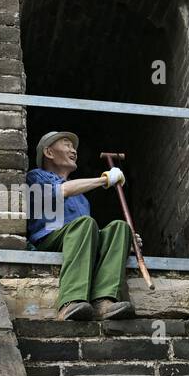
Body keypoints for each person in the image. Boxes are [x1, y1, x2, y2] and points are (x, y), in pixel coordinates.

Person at [25, 131, 138, 321]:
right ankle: (71, 301)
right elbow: (63, 191)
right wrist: (105, 180)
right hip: (50, 239)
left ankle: (104, 301)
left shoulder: (82, 198)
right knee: (85, 224)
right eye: (67, 145)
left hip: (78, 238)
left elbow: (90, 233)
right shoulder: (37, 177)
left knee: (120, 228)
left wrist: (125, 242)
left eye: (74, 148)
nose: (74, 151)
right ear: (49, 152)